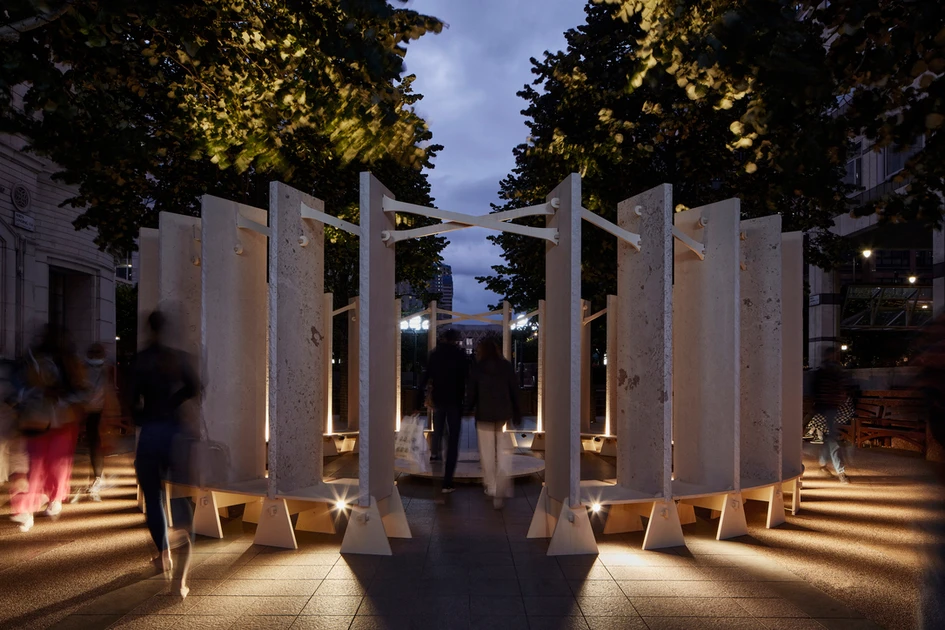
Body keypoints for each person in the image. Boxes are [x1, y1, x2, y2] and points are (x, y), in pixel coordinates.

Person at [132, 310, 199, 598]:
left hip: (151, 434)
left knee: (153, 497)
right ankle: (180, 581)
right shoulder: (178, 358)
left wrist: (145, 415)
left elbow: (130, 403)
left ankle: (163, 555)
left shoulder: (141, 361)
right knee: (181, 500)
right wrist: (173, 403)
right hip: (176, 433)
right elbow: (195, 387)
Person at [14, 325, 88, 532]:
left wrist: (60, 395)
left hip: (60, 419)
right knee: (36, 464)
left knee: (56, 464)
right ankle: (28, 508)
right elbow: (20, 386)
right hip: (38, 418)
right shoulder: (34, 359)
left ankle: (53, 497)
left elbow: (80, 391)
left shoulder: (69, 362)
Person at [467, 337, 521, 509]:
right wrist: (517, 412)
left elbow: (472, 392)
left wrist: (467, 408)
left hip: (484, 415)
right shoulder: (506, 366)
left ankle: (491, 486)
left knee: (487, 452)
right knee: (503, 450)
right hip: (503, 414)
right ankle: (503, 480)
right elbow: (514, 390)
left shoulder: (478, 368)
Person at [419, 328, 467, 493]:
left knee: (438, 428)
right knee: (453, 440)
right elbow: (466, 378)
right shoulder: (460, 355)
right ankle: (447, 481)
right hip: (455, 401)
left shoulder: (435, 355)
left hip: (439, 399)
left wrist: (416, 402)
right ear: (455, 340)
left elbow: (425, 377)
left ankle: (435, 454)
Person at [75, 342, 114, 502]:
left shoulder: (104, 370)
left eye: (97, 352)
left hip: (97, 411)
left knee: (95, 445)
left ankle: (97, 477)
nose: (95, 355)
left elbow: (107, 392)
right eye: (93, 352)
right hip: (87, 410)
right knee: (93, 445)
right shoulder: (88, 368)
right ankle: (96, 477)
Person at [811, 346, 854, 484]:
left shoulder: (823, 371)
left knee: (829, 438)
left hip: (824, 409)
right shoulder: (835, 371)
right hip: (830, 408)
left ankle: (823, 465)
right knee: (832, 440)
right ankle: (840, 472)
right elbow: (842, 388)